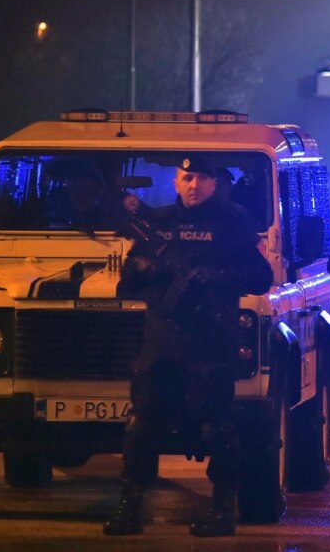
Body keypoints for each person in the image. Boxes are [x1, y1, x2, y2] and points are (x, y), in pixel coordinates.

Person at [104, 157, 273, 537]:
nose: (192, 185)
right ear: (177, 183)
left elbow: (262, 277)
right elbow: (126, 286)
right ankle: (130, 507)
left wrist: (216, 277)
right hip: (162, 344)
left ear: (214, 182)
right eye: (185, 178)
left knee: (218, 427)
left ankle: (222, 509)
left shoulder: (232, 223)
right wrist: (147, 270)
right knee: (142, 425)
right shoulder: (158, 225)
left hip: (210, 344)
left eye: (199, 177)